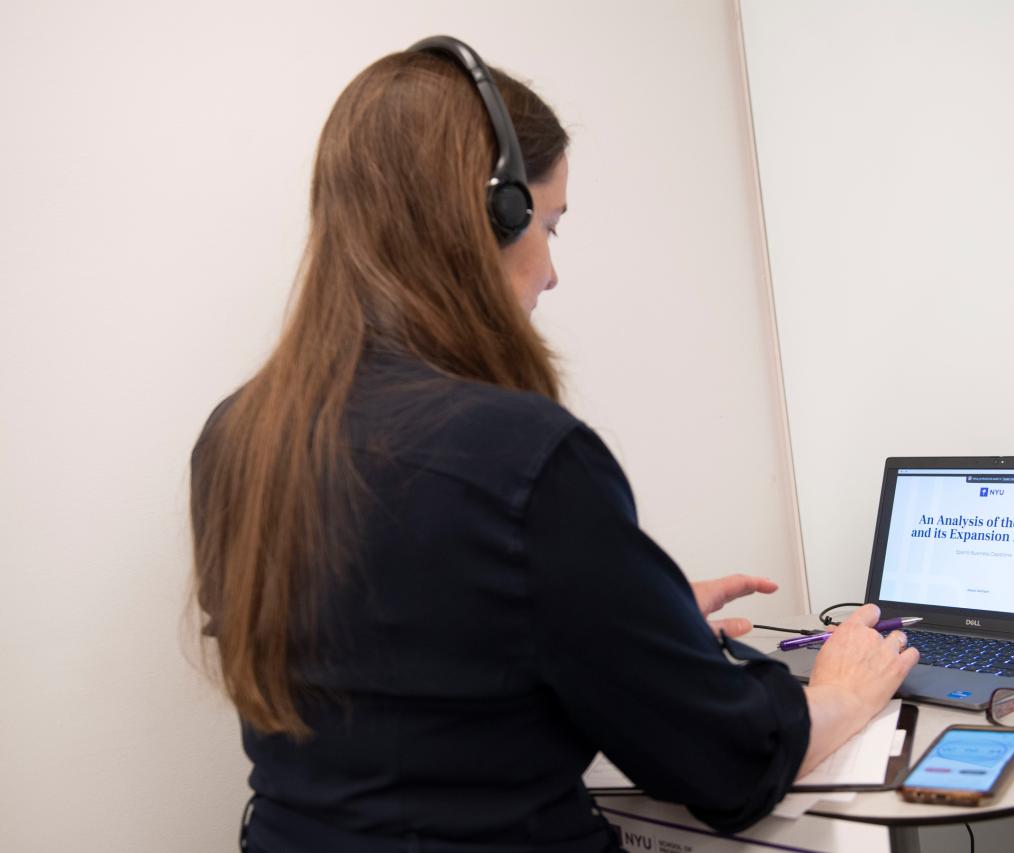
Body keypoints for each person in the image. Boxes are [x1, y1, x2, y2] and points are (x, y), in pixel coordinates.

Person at [189, 38, 917, 853]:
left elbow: (412, 650)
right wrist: (842, 691)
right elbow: (727, 763)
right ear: (493, 217)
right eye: (550, 226)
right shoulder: (526, 456)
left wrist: (629, 613)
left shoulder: (236, 438)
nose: (550, 271)